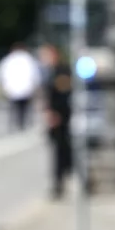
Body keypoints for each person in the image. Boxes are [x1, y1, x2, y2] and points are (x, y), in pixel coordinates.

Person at [40, 43, 74, 198]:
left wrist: (55, 113)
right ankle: (59, 182)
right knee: (60, 151)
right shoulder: (52, 71)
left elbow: (62, 95)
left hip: (61, 118)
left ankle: (59, 184)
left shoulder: (61, 72)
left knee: (62, 152)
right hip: (56, 117)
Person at [0, 41, 42, 132]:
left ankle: (14, 123)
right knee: (24, 108)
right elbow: (36, 74)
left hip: (12, 88)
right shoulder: (28, 59)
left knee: (14, 107)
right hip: (26, 88)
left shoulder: (8, 59)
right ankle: (22, 123)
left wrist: (2, 85)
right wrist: (35, 86)